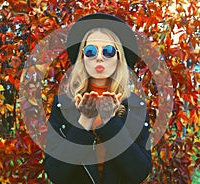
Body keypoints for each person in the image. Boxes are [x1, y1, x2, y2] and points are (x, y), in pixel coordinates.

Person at [43, 13, 151, 184]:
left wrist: (110, 122)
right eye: (91, 51)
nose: (99, 57)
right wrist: (84, 120)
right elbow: (56, 173)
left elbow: (139, 172)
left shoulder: (135, 106)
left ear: (118, 58)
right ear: (83, 58)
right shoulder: (64, 105)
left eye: (108, 51)